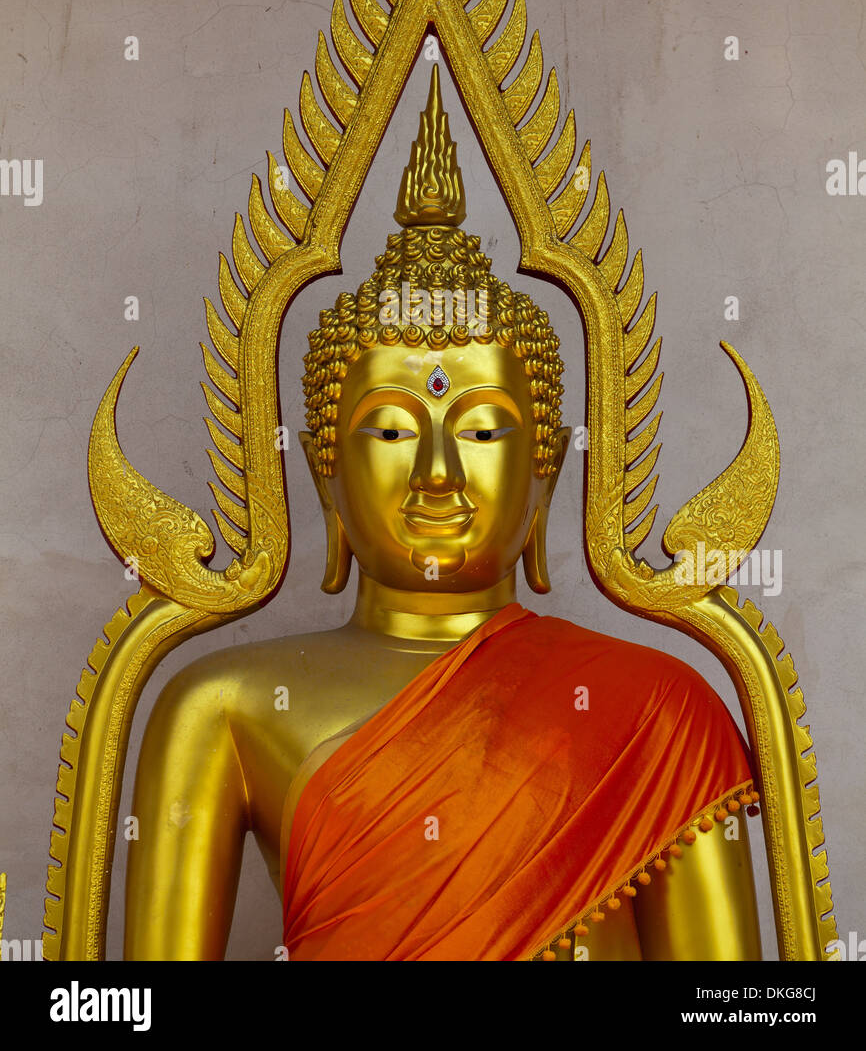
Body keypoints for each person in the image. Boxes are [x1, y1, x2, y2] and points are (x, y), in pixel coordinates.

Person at [125, 69, 761, 961]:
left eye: (480, 430)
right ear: (323, 479)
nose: (436, 472)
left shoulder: (662, 711)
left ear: (544, 482)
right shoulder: (218, 709)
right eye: (389, 427)